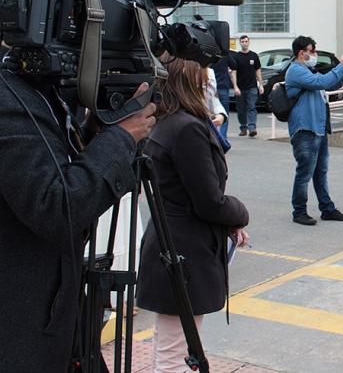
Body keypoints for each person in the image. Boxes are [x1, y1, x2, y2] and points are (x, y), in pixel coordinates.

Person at [0, 68, 156, 371]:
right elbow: (58, 205)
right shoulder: (9, 97)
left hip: (50, 317)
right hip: (20, 331)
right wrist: (121, 138)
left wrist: (94, 134)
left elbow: (50, 167)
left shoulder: (31, 91)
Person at [136, 55, 249, 373]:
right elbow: (209, 201)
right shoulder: (187, 129)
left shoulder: (168, 122)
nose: (209, 82)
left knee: (169, 346)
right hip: (183, 252)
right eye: (204, 76)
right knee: (176, 354)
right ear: (191, 81)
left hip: (171, 243)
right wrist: (239, 214)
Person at [286, 36, 343, 225]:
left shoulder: (309, 70)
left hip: (318, 128)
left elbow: (332, 84)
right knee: (305, 173)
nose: (315, 54)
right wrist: (341, 65)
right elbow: (323, 82)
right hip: (305, 129)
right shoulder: (296, 71)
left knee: (320, 172)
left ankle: (327, 209)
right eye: (312, 51)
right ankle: (299, 212)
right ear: (302, 53)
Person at [231, 35, 263, 137]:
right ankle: (243, 127)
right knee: (241, 109)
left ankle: (252, 128)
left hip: (252, 87)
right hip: (240, 88)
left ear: (249, 42)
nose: (244, 43)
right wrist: (235, 86)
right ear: (240, 43)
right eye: (242, 41)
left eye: (246, 41)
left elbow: (258, 70)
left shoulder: (254, 56)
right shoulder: (236, 57)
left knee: (251, 107)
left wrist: (261, 85)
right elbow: (233, 72)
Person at [212, 53, 235, 138]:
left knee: (212, 112)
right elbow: (234, 65)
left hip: (212, 86)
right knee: (224, 113)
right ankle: (222, 137)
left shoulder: (210, 53)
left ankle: (214, 135)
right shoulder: (225, 54)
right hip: (223, 86)